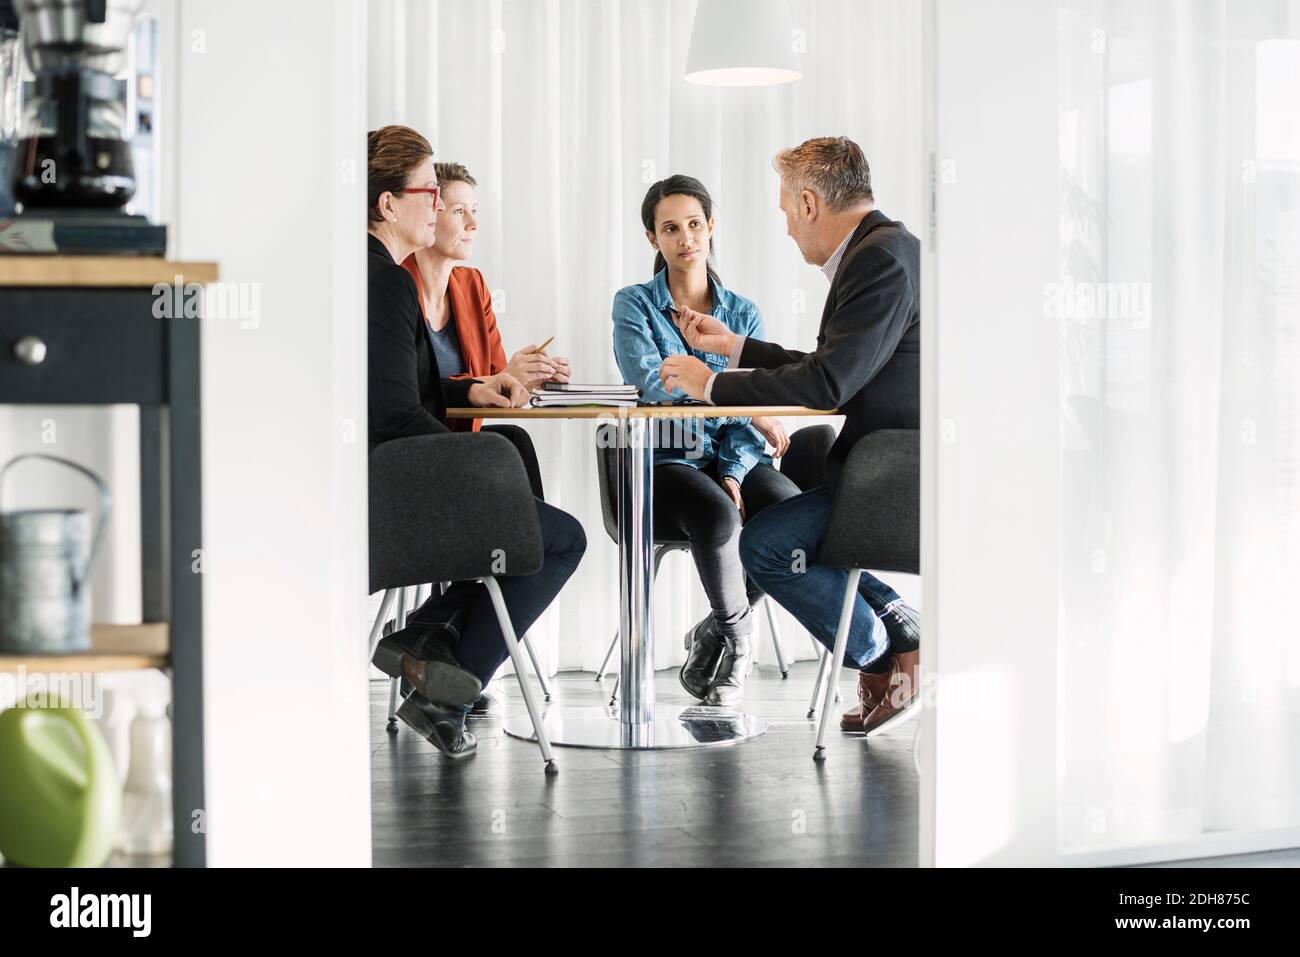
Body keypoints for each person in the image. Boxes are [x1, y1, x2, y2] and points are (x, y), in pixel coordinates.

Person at [659, 137, 922, 735]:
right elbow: (839, 365)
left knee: (769, 545)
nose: (785, 228)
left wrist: (712, 384)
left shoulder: (878, 260)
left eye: (783, 211)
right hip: (885, 470)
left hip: (892, 481)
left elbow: (829, 382)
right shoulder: (887, 250)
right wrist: (736, 349)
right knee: (778, 534)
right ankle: (896, 638)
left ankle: (887, 653)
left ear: (808, 202)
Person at [366, 125, 587, 758]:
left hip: (384, 473)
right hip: (394, 488)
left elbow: (401, 396)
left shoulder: (369, 272)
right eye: (430, 193)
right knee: (561, 540)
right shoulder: (388, 281)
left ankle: (430, 637)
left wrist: (479, 400)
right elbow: (392, 410)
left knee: (515, 462)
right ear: (389, 203)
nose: (439, 207)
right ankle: (442, 684)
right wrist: (464, 460)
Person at [612, 175, 800, 706]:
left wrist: (735, 470)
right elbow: (657, 383)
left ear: (711, 228)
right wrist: (741, 399)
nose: (685, 237)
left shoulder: (742, 313)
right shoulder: (633, 305)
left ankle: (713, 630)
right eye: (670, 228)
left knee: (794, 518)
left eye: (695, 224)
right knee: (719, 518)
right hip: (669, 456)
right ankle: (739, 641)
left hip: (732, 452)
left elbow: (747, 416)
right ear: (653, 238)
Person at [401, 161, 570, 498]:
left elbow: (494, 377)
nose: (473, 224)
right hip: (417, 448)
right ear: (431, 215)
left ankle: (530, 545)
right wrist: (493, 381)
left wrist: (525, 376)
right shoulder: (398, 283)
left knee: (514, 441)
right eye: (459, 211)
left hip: (464, 442)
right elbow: (408, 390)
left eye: (474, 211)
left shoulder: (472, 284)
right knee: (508, 448)